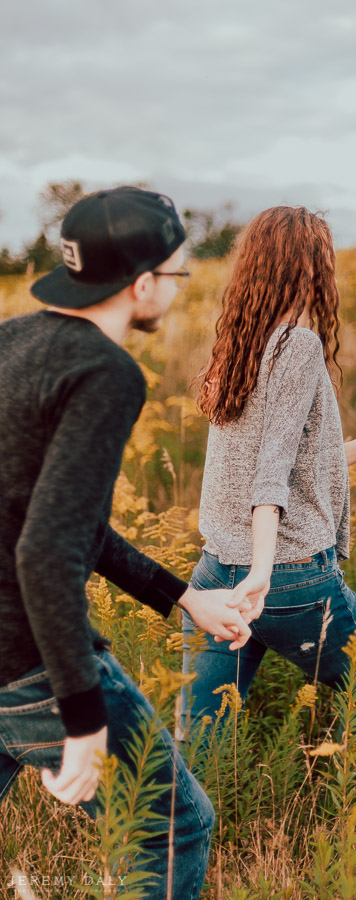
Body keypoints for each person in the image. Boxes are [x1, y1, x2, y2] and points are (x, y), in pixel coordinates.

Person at [0, 187, 257, 898]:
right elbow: (46, 549)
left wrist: (183, 598)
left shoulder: (9, 340)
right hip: (27, 661)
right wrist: (82, 721)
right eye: (178, 275)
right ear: (142, 284)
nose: (177, 289)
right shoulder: (106, 372)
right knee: (170, 828)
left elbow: (51, 516)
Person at [181, 205, 356, 734]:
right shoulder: (300, 346)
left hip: (217, 575)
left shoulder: (238, 346)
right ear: (310, 268)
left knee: (196, 739)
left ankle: (176, 819)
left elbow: (282, 465)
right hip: (287, 579)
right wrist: (263, 575)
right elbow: (268, 478)